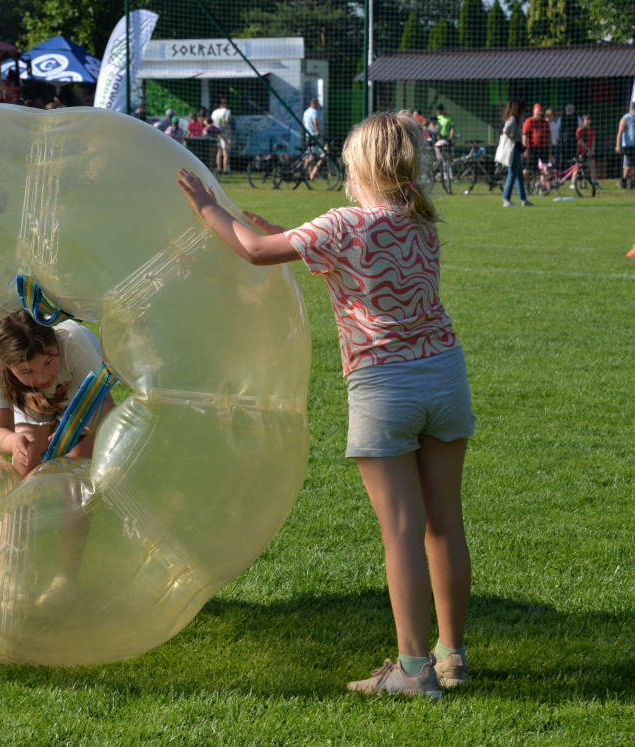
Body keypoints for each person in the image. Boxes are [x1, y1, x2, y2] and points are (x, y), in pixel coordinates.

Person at [177, 111, 475, 699]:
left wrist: (207, 206)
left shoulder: (343, 224)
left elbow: (257, 251)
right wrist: (294, 230)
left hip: (384, 385)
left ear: (359, 166)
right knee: (444, 522)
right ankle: (451, 656)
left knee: (401, 531)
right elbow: (365, 259)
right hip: (444, 376)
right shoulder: (421, 220)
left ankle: (412, 673)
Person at [0, 310, 114, 609]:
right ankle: (9, 571)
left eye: (49, 362)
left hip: (84, 401)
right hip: (33, 406)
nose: (42, 376)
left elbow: (105, 403)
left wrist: (77, 429)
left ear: (55, 346)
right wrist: (15, 442)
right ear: (8, 365)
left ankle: (66, 578)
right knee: (25, 470)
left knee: (73, 478)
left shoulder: (72, 342)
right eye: (26, 371)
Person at [497, 99, 533, 208]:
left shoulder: (514, 120)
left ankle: (524, 200)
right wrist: (514, 139)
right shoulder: (512, 119)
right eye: (523, 110)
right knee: (512, 174)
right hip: (513, 150)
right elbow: (505, 130)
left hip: (517, 150)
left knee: (519, 176)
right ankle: (506, 199)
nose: (524, 113)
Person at [616, 101, 635, 190]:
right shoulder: (626, 118)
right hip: (628, 145)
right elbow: (620, 132)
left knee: (634, 165)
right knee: (629, 164)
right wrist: (618, 145)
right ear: (634, 108)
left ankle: (632, 183)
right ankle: (624, 180)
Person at [522, 104, 551, 181]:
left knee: (544, 168)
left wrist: (550, 151)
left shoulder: (545, 123)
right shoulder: (528, 122)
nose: (540, 113)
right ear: (534, 111)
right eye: (538, 111)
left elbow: (549, 137)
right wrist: (525, 150)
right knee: (528, 168)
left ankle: (543, 185)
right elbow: (524, 137)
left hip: (544, 148)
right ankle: (519, 182)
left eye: (541, 111)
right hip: (532, 149)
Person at [211, 97, 233, 175]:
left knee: (218, 151)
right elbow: (226, 121)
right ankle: (225, 169)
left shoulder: (215, 112)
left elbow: (213, 123)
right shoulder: (227, 111)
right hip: (224, 132)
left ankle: (218, 167)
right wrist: (230, 132)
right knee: (225, 151)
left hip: (216, 132)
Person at [577, 112, 599, 188]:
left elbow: (593, 141)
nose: (589, 121)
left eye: (590, 119)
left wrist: (592, 149)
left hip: (589, 151)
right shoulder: (580, 130)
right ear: (583, 120)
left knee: (592, 166)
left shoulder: (592, 130)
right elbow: (581, 142)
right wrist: (587, 149)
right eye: (587, 119)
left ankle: (595, 183)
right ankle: (574, 183)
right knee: (579, 167)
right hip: (582, 151)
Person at [558, 103, 579, 171]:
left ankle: (572, 174)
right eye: (568, 107)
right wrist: (559, 139)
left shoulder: (577, 118)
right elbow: (558, 129)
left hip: (574, 142)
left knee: (573, 159)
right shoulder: (561, 118)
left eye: (571, 107)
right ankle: (562, 174)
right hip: (564, 143)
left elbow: (580, 129)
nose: (570, 109)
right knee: (563, 159)